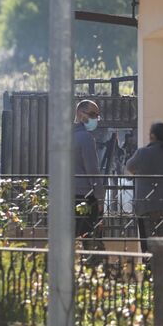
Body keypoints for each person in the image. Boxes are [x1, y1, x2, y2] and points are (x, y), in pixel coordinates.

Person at [126, 122, 163, 253]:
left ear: (152, 136)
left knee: (148, 247)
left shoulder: (143, 153)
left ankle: (149, 272)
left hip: (147, 207)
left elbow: (129, 167)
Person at [73, 100, 106, 241]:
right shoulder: (86, 138)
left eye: (97, 115)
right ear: (80, 114)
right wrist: (100, 198)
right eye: (92, 114)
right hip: (84, 197)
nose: (95, 119)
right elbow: (92, 170)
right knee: (89, 240)